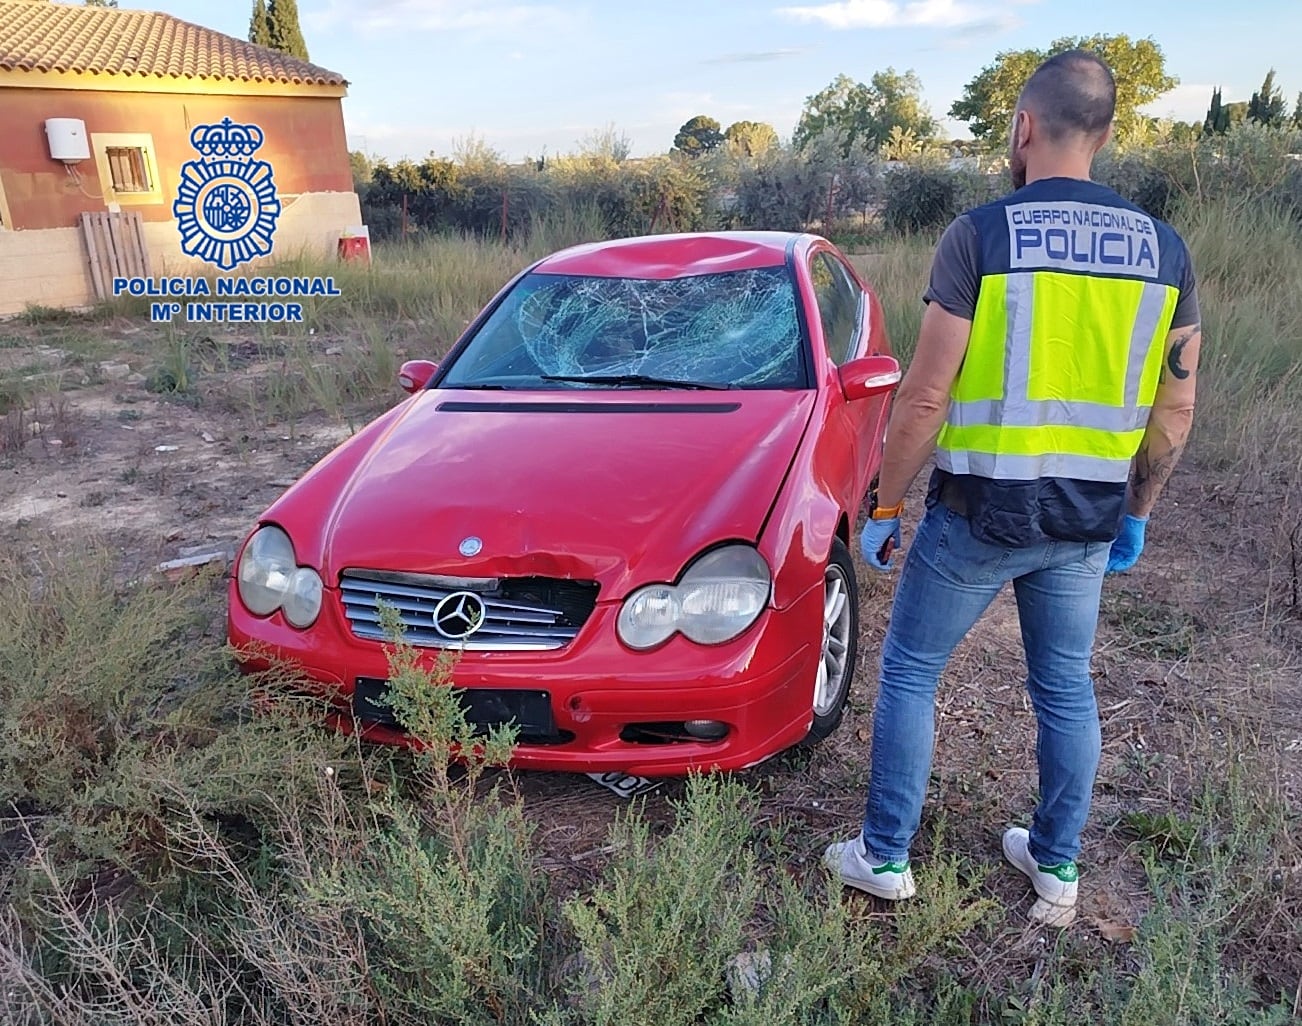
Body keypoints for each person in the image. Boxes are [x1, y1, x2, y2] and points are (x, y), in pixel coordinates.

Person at [822, 50, 1202, 928]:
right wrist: (1135, 513)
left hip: (977, 516)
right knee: (1066, 687)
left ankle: (884, 857)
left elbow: (923, 396)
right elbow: (1174, 412)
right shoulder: (1164, 249)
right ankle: (1057, 865)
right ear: (1106, 135)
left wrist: (882, 505)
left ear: (1022, 127)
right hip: (1086, 519)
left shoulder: (981, 234)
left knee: (912, 673)